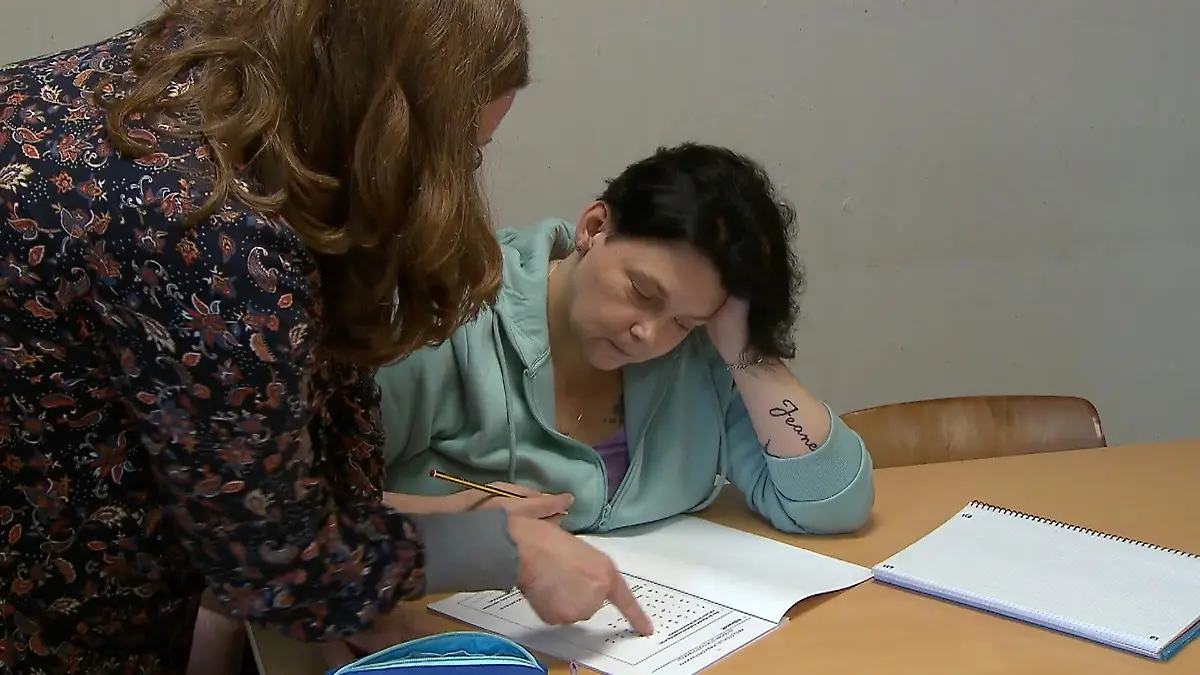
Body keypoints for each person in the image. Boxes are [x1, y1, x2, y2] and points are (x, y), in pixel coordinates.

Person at [0, 1, 650, 673]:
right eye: (457, 150)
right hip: (53, 607)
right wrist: (505, 552)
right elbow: (269, 561)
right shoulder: (214, 233)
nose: (459, 177)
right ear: (386, 122)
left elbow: (229, 430)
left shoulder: (206, 67)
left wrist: (374, 527)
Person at [375, 142, 874, 537]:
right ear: (594, 228)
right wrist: (457, 524)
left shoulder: (697, 357)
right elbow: (329, 516)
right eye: (643, 292)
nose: (649, 334)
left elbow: (832, 505)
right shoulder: (447, 318)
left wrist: (746, 351)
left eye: (685, 320)